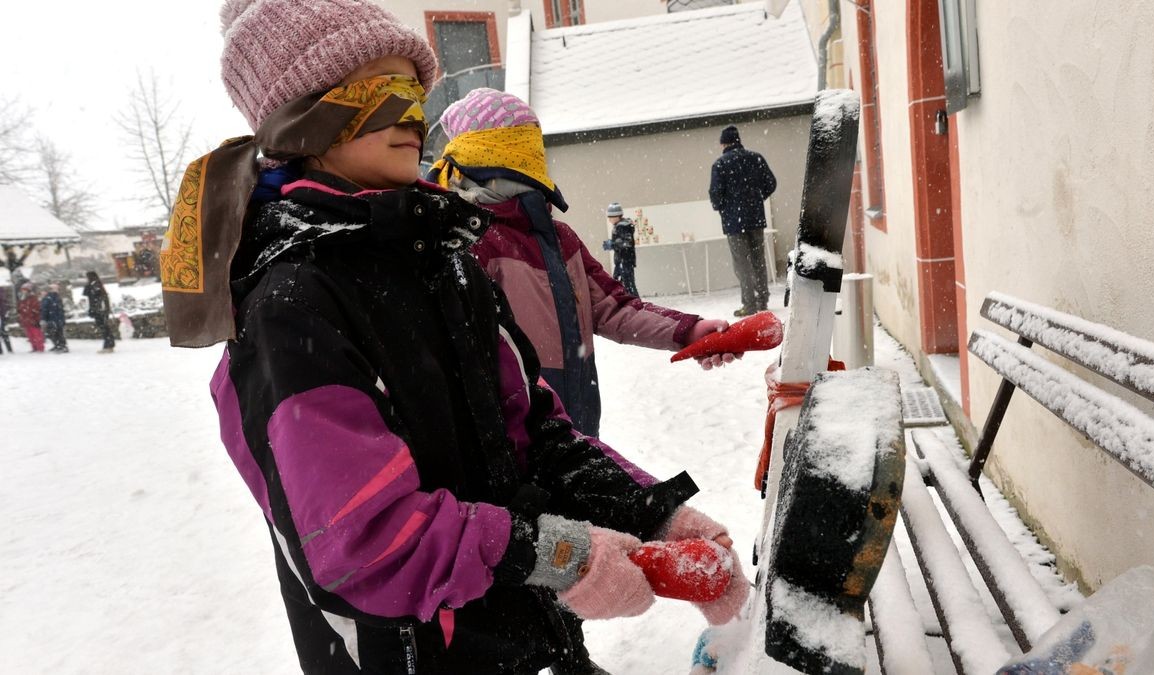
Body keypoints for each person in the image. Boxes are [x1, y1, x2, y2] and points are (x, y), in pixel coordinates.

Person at [166, 2, 749, 673]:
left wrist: (657, 516)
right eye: (383, 91)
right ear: (303, 116)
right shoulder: (291, 310)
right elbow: (366, 541)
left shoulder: (443, 262)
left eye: (416, 90)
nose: (413, 112)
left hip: (526, 639)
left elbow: (535, 435)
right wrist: (565, 556)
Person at [430, 89, 741, 438]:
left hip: (578, 423)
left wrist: (687, 330)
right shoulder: (465, 242)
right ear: (486, 152)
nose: (533, 157)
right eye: (521, 143)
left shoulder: (558, 238)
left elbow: (615, 308)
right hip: (515, 442)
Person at [708, 125, 777, 316]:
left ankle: (749, 304)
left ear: (723, 143)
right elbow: (771, 183)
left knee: (742, 264)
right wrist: (756, 198)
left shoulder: (720, 165)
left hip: (734, 223)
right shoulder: (756, 158)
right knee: (758, 260)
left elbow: (715, 195)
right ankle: (762, 300)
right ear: (738, 140)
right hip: (755, 218)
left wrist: (725, 207)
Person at [602, 202, 638, 297]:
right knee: (620, 283)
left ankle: (635, 303)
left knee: (628, 284)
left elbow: (627, 243)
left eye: (610, 217)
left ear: (616, 216)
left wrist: (612, 244)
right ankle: (627, 303)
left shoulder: (622, 226)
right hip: (622, 261)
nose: (609, 219)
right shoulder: (620, 226)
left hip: (625, 261)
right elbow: (622, 241)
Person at [83, 271, 115, 353]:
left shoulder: (94, 285)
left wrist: (99, 309)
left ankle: (108, 345)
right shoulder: (96, 284)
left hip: (99, 310)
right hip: (100, 310)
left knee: (104, 328)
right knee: (104, 327)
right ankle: (109, 344)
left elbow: (96, 297)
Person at [40, 284, 68, 353]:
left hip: (52, 319)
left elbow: (44, 309)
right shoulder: (56, 297)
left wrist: (43, 318)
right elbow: (60, 309)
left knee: (54, 333)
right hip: (57, 319)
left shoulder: (48, 298)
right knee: (58, 333)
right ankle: (60, 345)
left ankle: (59, 346)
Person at [17, 283, 44, 352]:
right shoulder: (22, 299)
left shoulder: (33, 298)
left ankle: (40, 348)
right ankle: (34, 347)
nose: (23, 291)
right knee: (30, 335)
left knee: (37, 335)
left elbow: (36, 309)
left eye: (25, 290)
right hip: (26, 320)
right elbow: (21, 309)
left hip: (33, 320)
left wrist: (34, 318)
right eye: (22, 290)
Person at [0, 288, 12, 354]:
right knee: (4, 333)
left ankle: (8, 349)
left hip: (2, 317)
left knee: (4, 333)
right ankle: (6, 349)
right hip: (3, 316)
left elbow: (4, 306)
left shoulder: (1, 293)